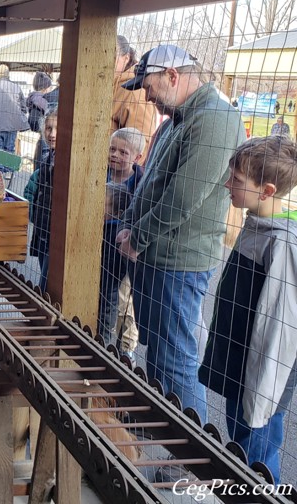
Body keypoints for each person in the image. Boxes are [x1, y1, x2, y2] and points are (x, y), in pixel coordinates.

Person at [115, 44, 245, 424]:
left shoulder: (214, 118)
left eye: (151, 87)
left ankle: (185, 463)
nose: (147, 96)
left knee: (176, 361)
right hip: (159, 258)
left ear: (173, 75)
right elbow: (155, 183)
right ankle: (161, 436)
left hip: (177, 263)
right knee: (161, 353)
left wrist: (137, 237)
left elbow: (182, 198)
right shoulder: (182, 117)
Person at [199, 136, 297, 484]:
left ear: (267, 190)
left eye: (237, 181)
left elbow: (278, 330)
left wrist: (260, 396)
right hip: (241, 372)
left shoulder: (280, 243)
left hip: (259, 382)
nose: (228, 184)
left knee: (254, 456)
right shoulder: (256, 225)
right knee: (244, 445)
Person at [100, 128, 146, 355]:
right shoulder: (100, 174)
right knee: (105, 296)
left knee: (124, 301)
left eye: (123, 152)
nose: (115, 155)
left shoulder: (140, 184)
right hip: (101, 243)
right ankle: (104, 338)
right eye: (112, 149)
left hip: (124, 248)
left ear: (137, 157)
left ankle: (126, 348)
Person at [112, 35, 158, 160]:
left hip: (118, 173)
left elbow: (141, 142)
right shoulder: (110, 86)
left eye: (112, 57)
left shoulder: (133, 91)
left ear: (126, 58)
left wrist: (127, 178)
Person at [28, 108, 57, 291]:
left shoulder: (61, 161)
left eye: (57, 129)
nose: (52, 134)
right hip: (43, 228)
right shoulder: (48, 158)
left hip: (54, 233)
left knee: (46, 286)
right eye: (48, 128)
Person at [100, 182, 133, 346]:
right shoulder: (103, 228)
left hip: (106, 296)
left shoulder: (113, 236)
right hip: (99, 290)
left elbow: (114, 268)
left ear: (117, 213)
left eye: (103, 204)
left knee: (102, 330)